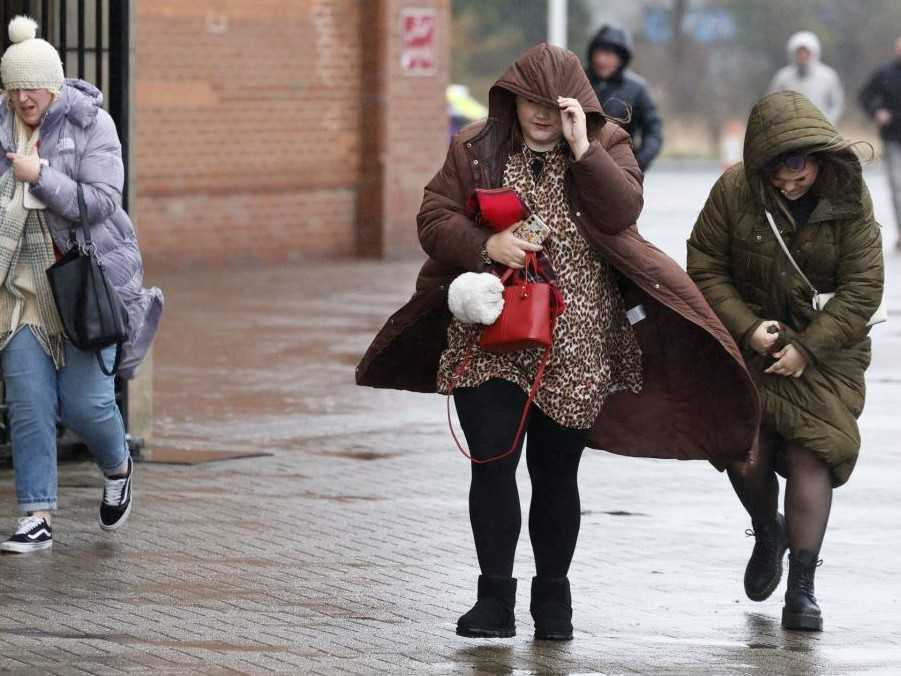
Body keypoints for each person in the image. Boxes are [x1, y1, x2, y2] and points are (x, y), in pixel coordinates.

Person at [357, 43, 758, 641]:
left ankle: (553, 600)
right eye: (531, 103)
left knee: (554, 473)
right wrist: (483, 247)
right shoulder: (475, 147)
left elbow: (623, 211)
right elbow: (433, 217)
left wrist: (584, 147)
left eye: (556, 105)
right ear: (510, 98)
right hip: (488, 331)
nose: (542, 115)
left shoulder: (608, 146)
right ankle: (492, 599)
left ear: (578, 106)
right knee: (491, 465)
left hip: (576, 341)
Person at [687, 91, 884, 632]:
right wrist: (749, 329)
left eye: (796, 165)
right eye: (773, 168)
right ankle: (765, 530)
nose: (786, 179)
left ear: (818, 155)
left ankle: (802, 589)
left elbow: (865, 286)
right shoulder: (733, 191)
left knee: (811, 452)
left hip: (827, 351)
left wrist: (809, 347)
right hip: (752, 341)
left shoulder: (851, 198)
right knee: (742, 451)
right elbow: (703, 265)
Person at [0, 16, 163, 553]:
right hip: (19, 291)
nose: (24, 98)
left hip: (80, 285)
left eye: (33, 87)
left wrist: (39, 177)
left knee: (86, 406)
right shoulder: (1, 125)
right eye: (14, 87)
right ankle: (37, 514)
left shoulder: (92, 124)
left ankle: (117, 466)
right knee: (27, 403)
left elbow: (101, 201)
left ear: (53, 84)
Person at [585, 24, 663, 173]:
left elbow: (654, 132)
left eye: (608, 54)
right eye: (598, 52)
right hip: (581, 169)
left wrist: (637, 164)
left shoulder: (637, 89)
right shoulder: (578, 81)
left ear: (621, 58)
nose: (601, 60)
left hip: (619, 170)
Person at [859, 35, 901, 248]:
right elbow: (865, 95)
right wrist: (877, 112)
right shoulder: (884, 73)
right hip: (893, 137)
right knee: (897, 186)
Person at [768, 31, 844, 125]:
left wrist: (828, 122)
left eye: (805, 52)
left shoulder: (828, 76)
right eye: (799, 52)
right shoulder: (783, 77)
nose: (802, 56)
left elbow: (836, 104)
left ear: (814, 52)